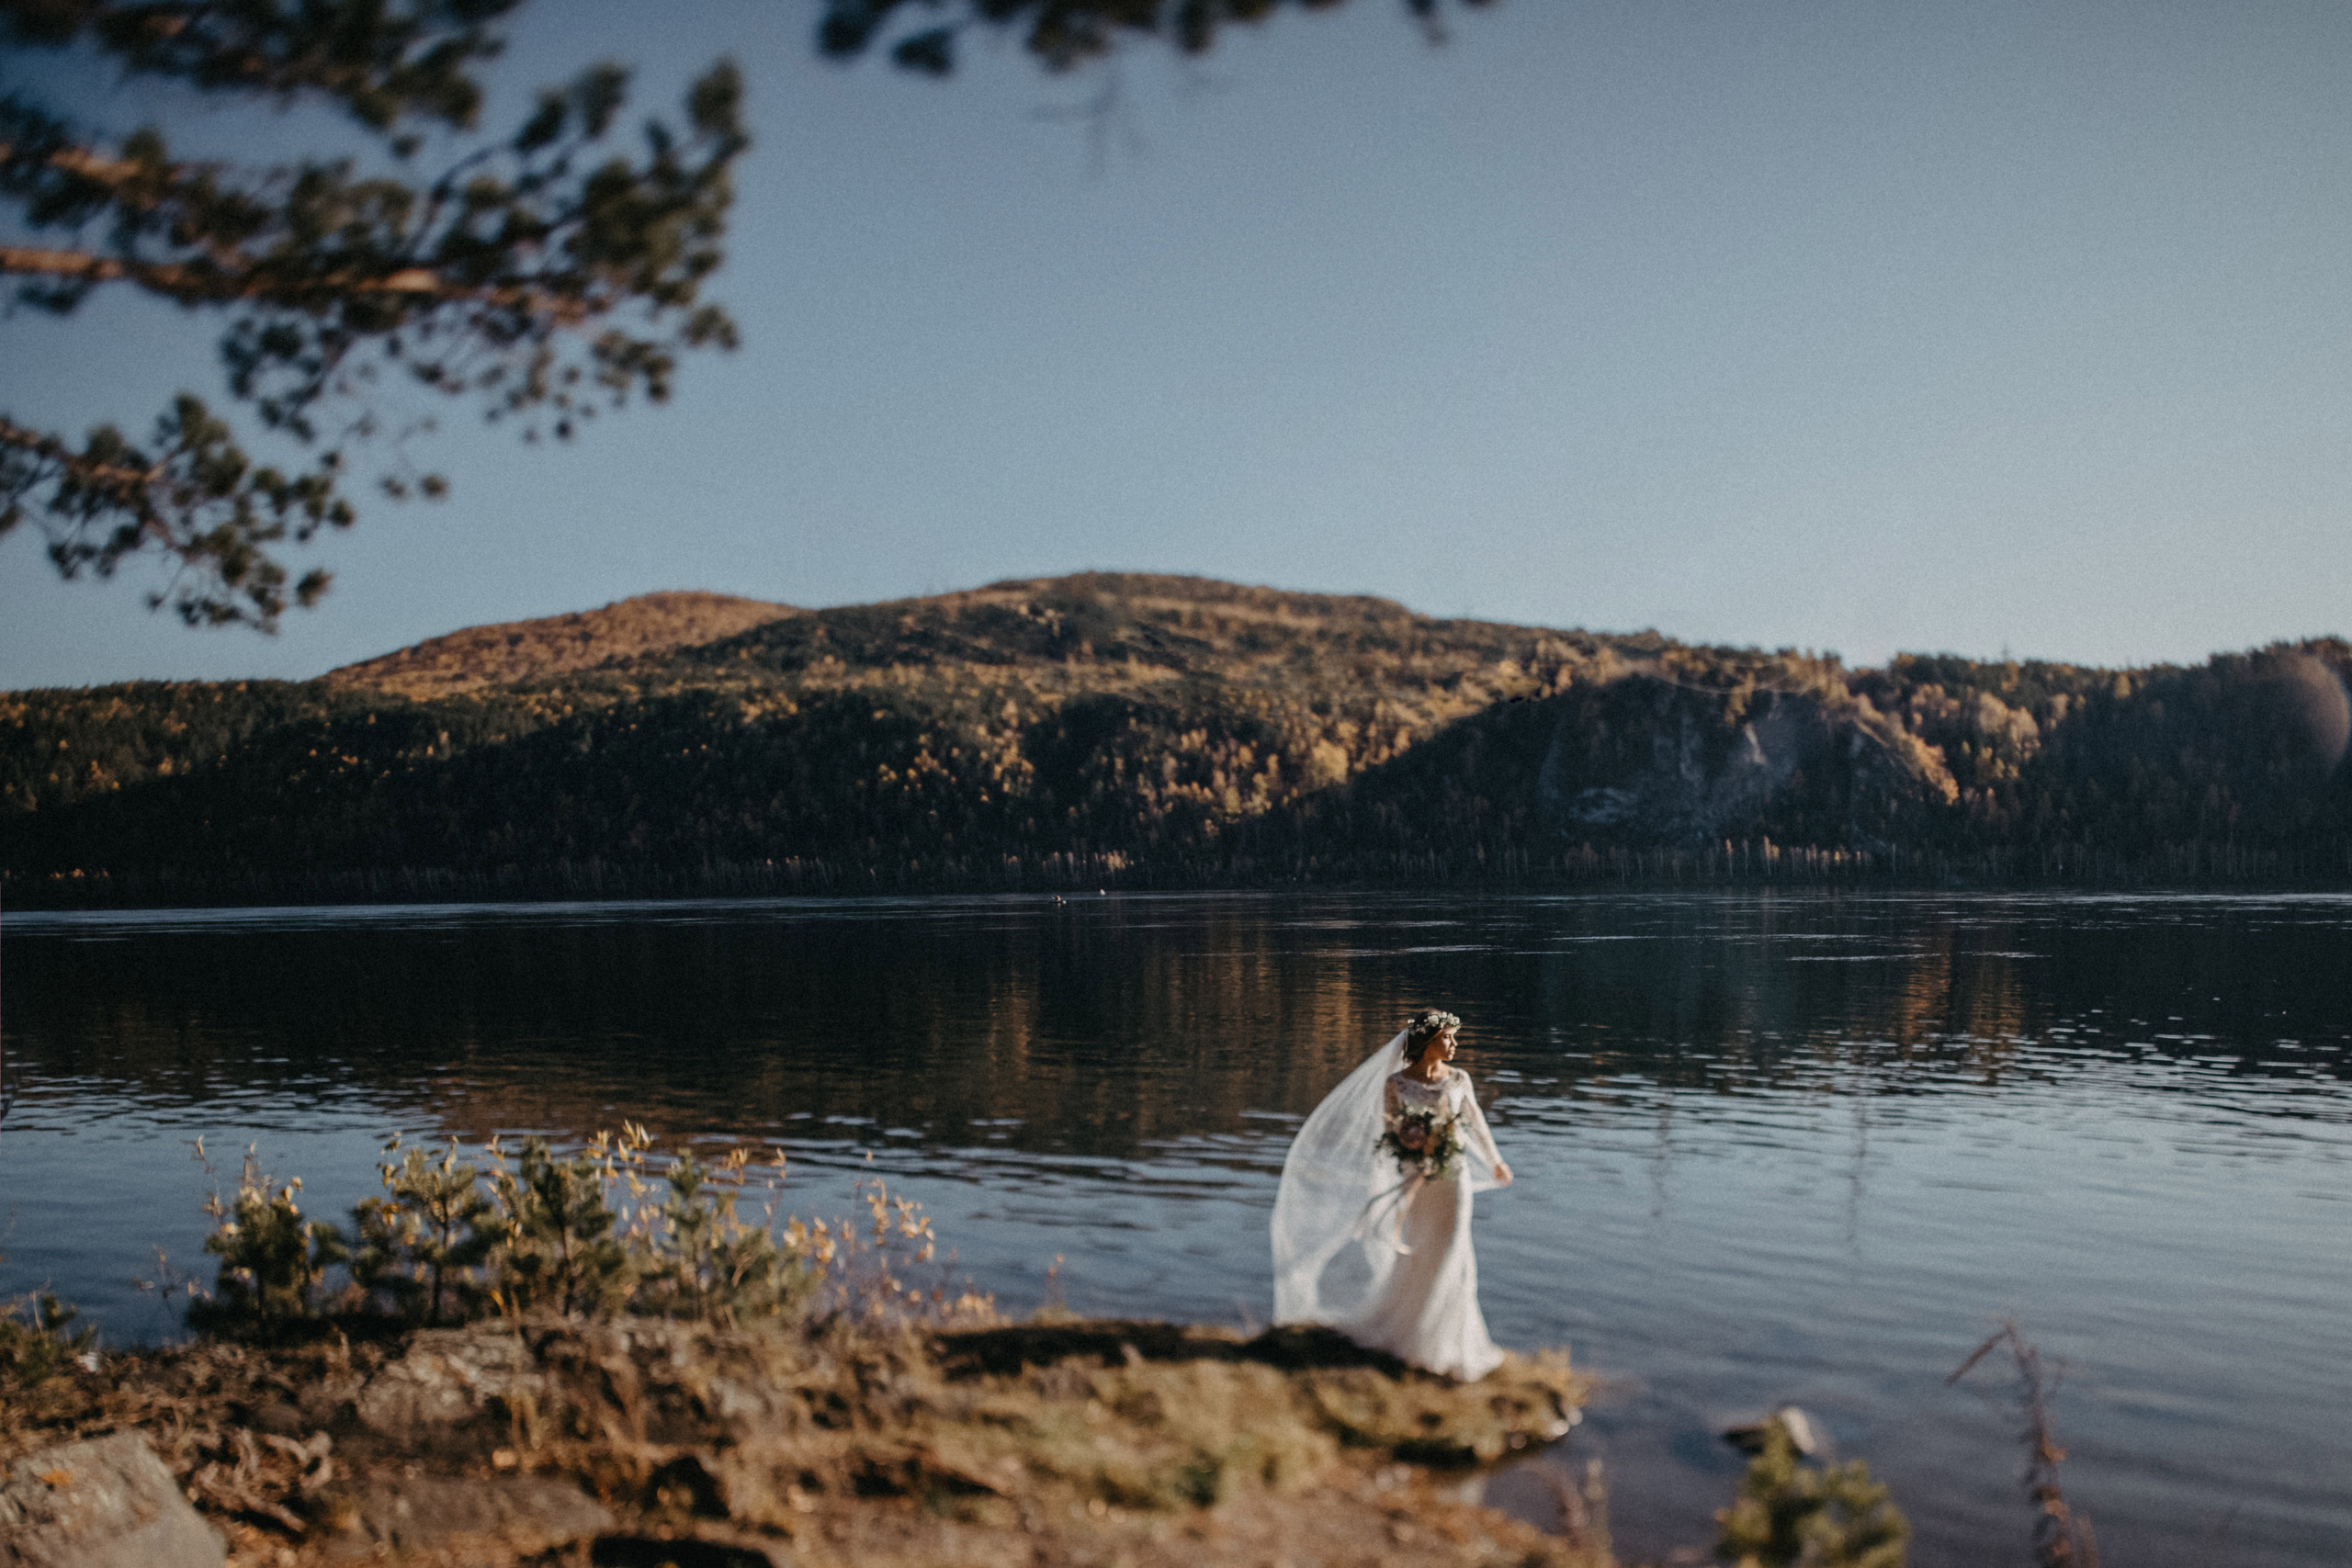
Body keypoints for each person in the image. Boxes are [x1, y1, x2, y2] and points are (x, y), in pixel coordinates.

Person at [1270, 1009, 1512, 1380]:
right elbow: (1392, 1133)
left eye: (1453, 1037)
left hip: (1455, 1178)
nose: (1454, 1044)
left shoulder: (1460, 1078)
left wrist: (1495, 1162)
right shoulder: (1396, 1084)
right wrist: (1417, 1148)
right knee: (1419, 1247)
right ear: (1427, 1042)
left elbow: (1475, 1122)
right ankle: (1407, 1332)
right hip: (1418, 1178)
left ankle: (1446, 1338)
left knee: (1453, 1248)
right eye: (1447, 1037)